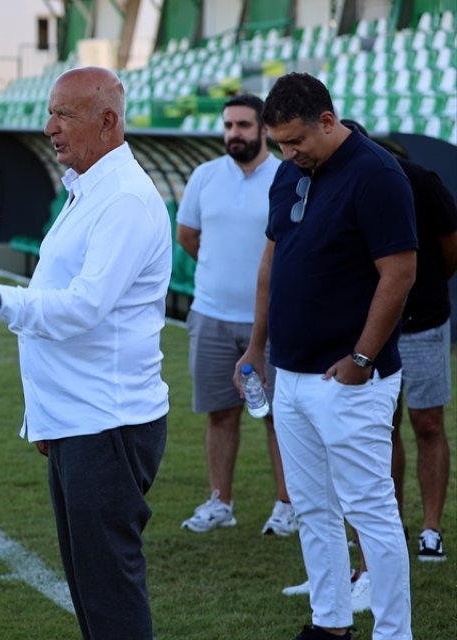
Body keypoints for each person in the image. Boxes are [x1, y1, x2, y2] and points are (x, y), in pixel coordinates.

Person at [0, 66, 172, 636]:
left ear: (108, 122)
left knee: (109, 591)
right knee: (91, 588)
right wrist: (47, 418)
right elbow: (61, 302)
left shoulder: (124, 200)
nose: (49, 126)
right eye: (51, 112)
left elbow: (82, 307)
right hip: (81, 421)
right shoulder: (91, 189)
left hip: (106, 424)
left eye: (64, 114)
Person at [238, 73, 416, 640]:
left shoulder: (377, 174)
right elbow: (273, 263)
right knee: (314, 508)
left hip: (350, 379)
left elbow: (400, 272)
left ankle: (393, 632)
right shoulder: (289, 172)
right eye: (281, 144)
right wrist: (257, 345)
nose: (288, 154)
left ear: (328, 121)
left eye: (296, 142)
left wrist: (361, 360)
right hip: (289, 375)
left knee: (371, 513)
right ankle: (330, 622)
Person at [174, 94, 295, 536]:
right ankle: (220, 502)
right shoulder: (205, 176)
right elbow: (188, 234)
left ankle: (287, 504)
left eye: (244, 125)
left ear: (264, 129)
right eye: (229, 125)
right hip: (209, 315)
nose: (234, 134)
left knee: (279, 417)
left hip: (273, 320)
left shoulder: (287, 175)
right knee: (220, 413)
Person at [388, 153, 454, 563]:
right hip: (370, 326)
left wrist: (423, 288)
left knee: (428, 423)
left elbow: (451, 247)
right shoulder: (327, 181)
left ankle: (432, 528)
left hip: (424, 321)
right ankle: (390, 522)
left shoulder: (419, 180)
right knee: (381, 425)